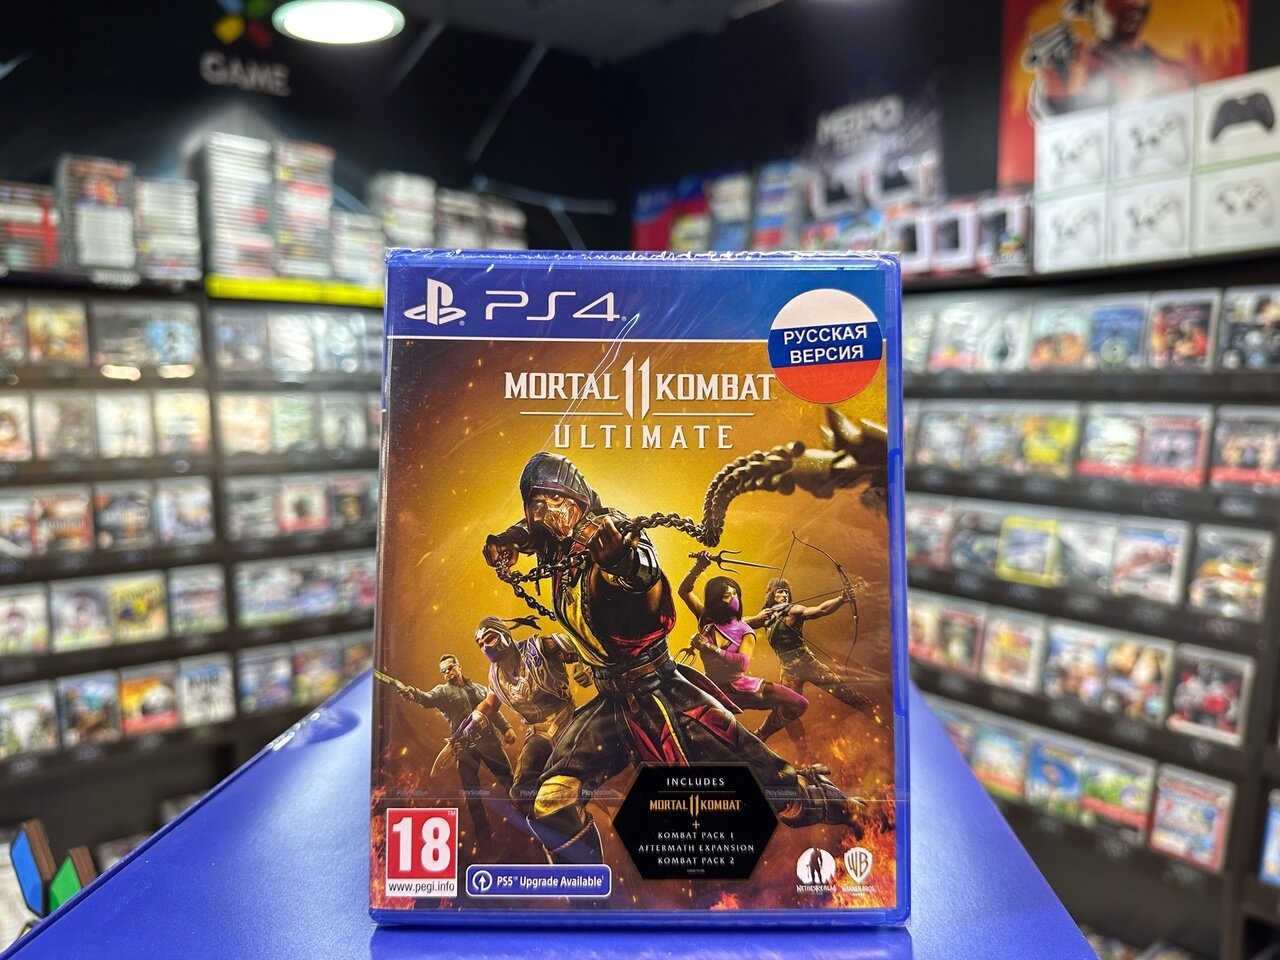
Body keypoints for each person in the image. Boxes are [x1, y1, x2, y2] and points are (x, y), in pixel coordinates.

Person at [483, 452, 862, 865]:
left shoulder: (614, 532)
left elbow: (645, 575)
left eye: (556, 502)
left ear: (576, 498)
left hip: (664, 695)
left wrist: (621, 563)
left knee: (774, 788)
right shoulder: (557, 545)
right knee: (552, 801)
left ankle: (843, 806)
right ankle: (588, 893)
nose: (549, 514)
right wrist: (508, 540)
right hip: (612, 703)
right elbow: (534, 532)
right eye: (538, 506)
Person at [677, 552, 809, 751]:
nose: (733, 599)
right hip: (712, 689)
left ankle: (760, 735)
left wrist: (708, 647)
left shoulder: (743, 629)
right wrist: (699, 566)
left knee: (798, 702)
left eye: (735, 594)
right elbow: (684, 591)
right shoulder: (706, 619)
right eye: (726, 596)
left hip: (741, 688)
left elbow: (742, 663)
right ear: (716, 600)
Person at [461, 617, 592, 816]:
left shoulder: (540, 646)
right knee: (521, 793)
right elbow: (489, 703)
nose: (486, 647)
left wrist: (587, 667)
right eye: (481, 644)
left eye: (489, 638)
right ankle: (561, 825)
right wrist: (471, 725)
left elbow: (581, 645)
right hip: (539, 733)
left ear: (504, 634)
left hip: (568, 718)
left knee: (576, 777)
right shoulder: (495, 676)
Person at [395, 653, 516, 841]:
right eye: (443, 671)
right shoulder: (442, 691)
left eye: (450, 668)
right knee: (472, 792)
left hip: (489, 741)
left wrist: (506, 728)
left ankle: (526, 816)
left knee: (508, 779)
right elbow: (427, 699)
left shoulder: (478, 688)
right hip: (463, 747)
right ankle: (483, 837)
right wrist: (413, 694)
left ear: (459, 666)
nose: (447, 673)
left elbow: (492, 709)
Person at [1023, 0, 1193, 118]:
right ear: (1089, 9)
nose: (1131, 3)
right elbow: (1053, 125)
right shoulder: (1069, 65)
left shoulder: (1175, 70)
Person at [757, 576, 875, 723]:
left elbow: (820, 610)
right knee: (786, 708)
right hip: (788, 670)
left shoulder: (793, 610)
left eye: (787, 592)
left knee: (843, 691)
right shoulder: (764, 617)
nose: (785, 595)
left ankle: (876, 715)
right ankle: (764, 733)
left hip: (807, 663)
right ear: (771, 594)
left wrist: (841, 599)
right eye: (780, 591)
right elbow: (745, 622)